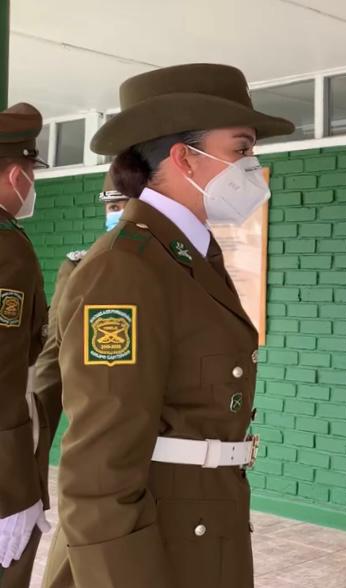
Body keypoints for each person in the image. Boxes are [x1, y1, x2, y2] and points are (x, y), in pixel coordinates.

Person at [42, 63, 293, 588]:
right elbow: (98, 468)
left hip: (200, 519)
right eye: (242, 149)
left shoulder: (186, 252)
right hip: (155, 539)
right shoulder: (125, 266)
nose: (253, 165)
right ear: (185, 158)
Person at [31, 173, 130, 463]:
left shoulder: (177, 270)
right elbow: (52, 358)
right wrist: (30, 451)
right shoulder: (80, 268)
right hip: (102, 425)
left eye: (128, 204)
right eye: (114, 207)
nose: (120, 213)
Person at [0, 103, 52, 588]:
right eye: (32, 173)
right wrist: (13, 491)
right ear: (18, 173)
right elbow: (5, 370)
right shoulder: (7, 246)